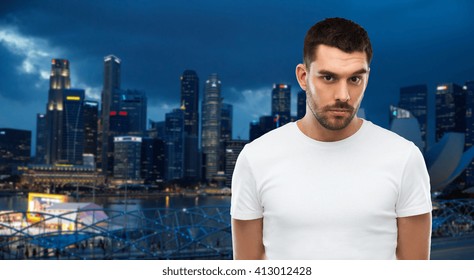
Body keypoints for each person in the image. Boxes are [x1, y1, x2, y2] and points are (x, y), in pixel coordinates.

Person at [230, 17, 432, 260]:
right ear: (303, 77)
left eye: (355, 79)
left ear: (367, 77)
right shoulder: (255, 158)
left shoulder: (404, 157)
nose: (343, 95)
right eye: (328, 78)